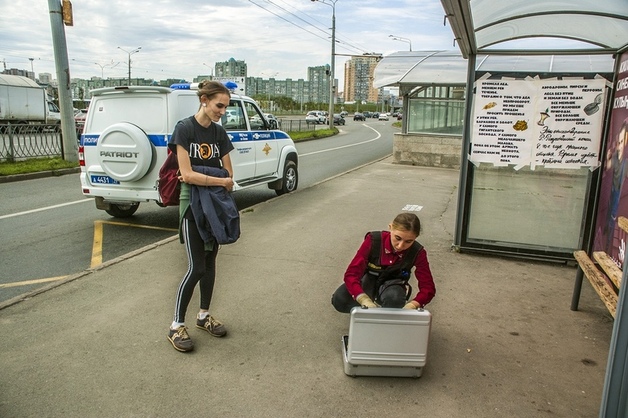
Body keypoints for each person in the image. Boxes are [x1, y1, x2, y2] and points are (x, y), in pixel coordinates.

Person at [167, 80, 235, 352]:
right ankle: (175, 326)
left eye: (225, 107)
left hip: (214, 206)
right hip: (191, 204)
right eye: (219, 105)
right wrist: (217, 180)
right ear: (204, 100)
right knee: (196, 266)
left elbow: (229, 174)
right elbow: (187, 175)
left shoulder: (219, 133)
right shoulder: (185, 129)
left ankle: (203, 315)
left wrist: (206, 177)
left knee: (210, 263)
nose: (222, 111)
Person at [331, 213, 435, 312]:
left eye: (409, 241)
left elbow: (428, 287)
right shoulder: (373, 240)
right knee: (340, 300)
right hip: (369, 279)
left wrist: (413, 305)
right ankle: (365, 313)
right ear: (390, 227)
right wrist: (362, 298)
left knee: (394, 299)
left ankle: (389, 314)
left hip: (393, 284)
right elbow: (351, 274)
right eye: (397, 238)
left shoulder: (418, 252)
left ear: (415, 238)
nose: (400, 246)